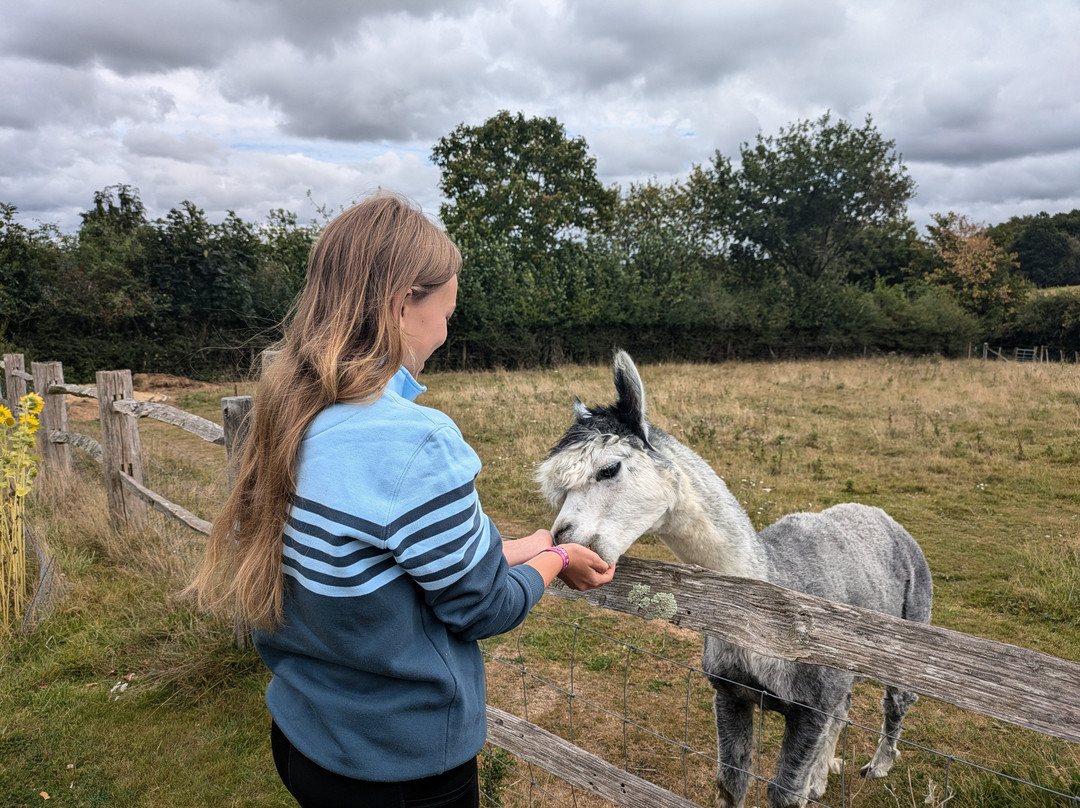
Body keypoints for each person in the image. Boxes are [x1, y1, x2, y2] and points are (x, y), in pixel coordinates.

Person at [188, 192, 616, 808]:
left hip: (303, 737)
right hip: (398, 770)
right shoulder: (414, 440)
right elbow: (482, 607)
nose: (447, 328)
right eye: (447, 310)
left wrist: (533, 543)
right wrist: (558, 562)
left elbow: (393, 554)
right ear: (401, 306)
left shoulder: (292, 413)